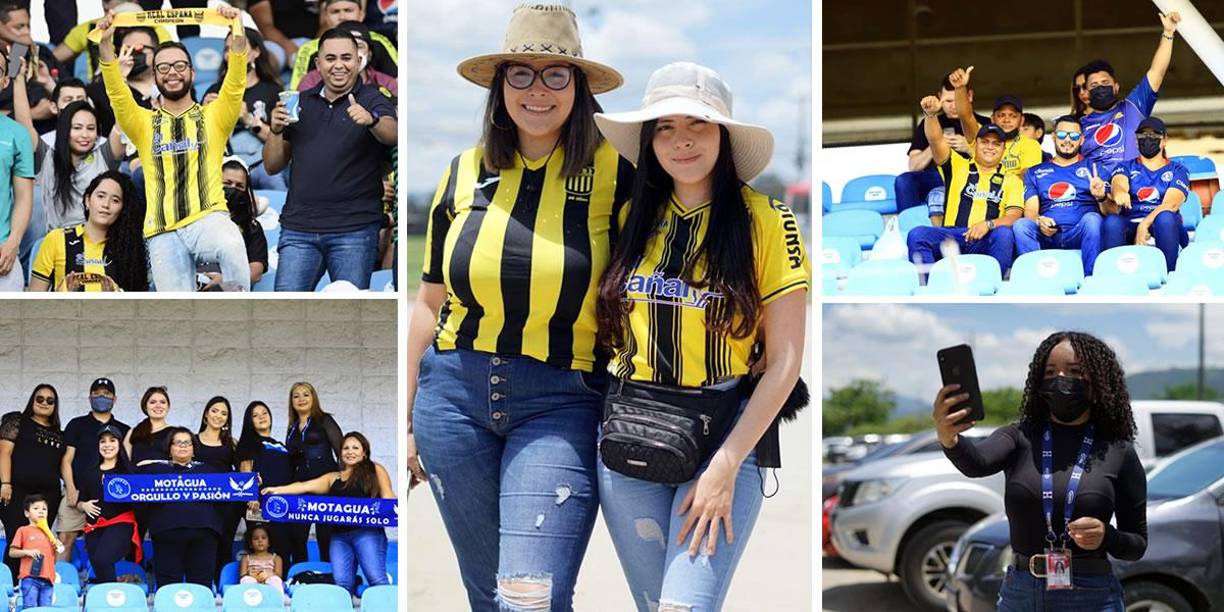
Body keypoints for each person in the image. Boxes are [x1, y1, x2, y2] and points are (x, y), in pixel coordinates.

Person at [406, 5, 631, 610]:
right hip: (451, 399)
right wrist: (407, 422)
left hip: (562, 399)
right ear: (500, 86)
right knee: (488, 596)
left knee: (530, 596)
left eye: (556, 74)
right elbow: (428, 302)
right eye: (521, 74)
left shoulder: (622, 170)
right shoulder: (461, 171)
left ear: (579, 87)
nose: (538, 89)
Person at [592, 61, 808, 612]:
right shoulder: (630, 217)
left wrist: (726, 466)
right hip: (629, 432)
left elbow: (785, 362)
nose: (681, 141)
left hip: (725, 434)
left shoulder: (769, 219)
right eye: (664, 128)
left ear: (724, 136)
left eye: (698, 125)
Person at [932, 331, 1146, 609]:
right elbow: (976, 463)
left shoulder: (1118, 450)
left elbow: (1137, 544)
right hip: (1021, 593)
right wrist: (949, 437)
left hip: (1091, 595)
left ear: (1097, 383)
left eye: (1074, 371)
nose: (1060, 379)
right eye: (1050, 372)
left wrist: (1107, 536)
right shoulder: (1019, 436)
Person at [96, 7, 253, 291]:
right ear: (155, 75)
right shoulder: (142, 123)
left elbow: (236, 78)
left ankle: (238, 309)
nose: (172, 73)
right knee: (176, 310)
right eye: (163, 67)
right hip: (162, 232)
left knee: (231, 243)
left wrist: (237, 28)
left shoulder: (215, 115)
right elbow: (116, 92)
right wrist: (106, 42)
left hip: (208, 219)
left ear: (192, 72)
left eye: (180, 66)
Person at [263, 27, 396, 291]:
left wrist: (371, 120)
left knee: (348, 312)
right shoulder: (299, 102)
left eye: (346, 58)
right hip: (298, 229)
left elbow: (393, 134)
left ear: (359, 61)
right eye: (331, 58)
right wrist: (275, 131)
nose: (339, 65)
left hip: (354, 230)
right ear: (318, 64)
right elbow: (272, 166)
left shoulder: (373, 98)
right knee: (285, 309)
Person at [263, 432, 393, 596]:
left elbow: (389, 497)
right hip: (339, 537)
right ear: (340, 453)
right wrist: (277, 490)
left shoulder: (375, 470)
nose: (350, 452)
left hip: (367, 533)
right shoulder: (333, 478)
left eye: (355, 448)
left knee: (376, 579)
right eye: (346, 448)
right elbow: (304, 486)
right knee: (342, 584)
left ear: (364, 452)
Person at [904, 98, 1022, 276]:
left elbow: (1014, 216)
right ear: (975, 145)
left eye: (996, 144)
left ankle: (991, 283)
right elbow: (936, 140)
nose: (990, 147)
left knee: (1004, 234)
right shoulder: (957, 165)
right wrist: (931, 115)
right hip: (951, 237)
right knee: (917, 234)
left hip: (985, 238)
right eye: (985, 142)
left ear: (1003, 150)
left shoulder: (1012, 180)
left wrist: (988, 225)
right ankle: (934, 285)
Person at [12, 79, 124, 234]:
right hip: (58, 241)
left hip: (99, 240)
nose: (85, 135)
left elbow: (123, 119)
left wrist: (118, 79)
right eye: (77, 128)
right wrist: (18, 78)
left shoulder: (105, 156)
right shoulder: (47, 158)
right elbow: (24, 124)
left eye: (91, 128)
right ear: (64, 130)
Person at [1078, 12, 1181, 174]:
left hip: (1138, 184)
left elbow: (1157, 72)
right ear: (1086, 93)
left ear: (1116, 87)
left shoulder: (1133, 106)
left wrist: (1168, 33)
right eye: (1094, 85)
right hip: (1099, 188)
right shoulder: (1079, 126)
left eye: (1105, 83)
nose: (1100, 87)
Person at [1014, 115, 1108, 275]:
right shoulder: (1035, 172)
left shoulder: (1095, 169)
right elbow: (1030, 211)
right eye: (1062, 135)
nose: (1068, 140)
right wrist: (1039, 221)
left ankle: (1090, 278)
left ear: (1082, 140)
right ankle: (1035, 279)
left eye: (1074, 136)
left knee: (1092, 219)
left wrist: (1101, 196)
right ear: (1053, 137)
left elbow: (1112, 211)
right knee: (1021, 225)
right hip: (1047, 234)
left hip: (1079, 233)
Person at [28, 170, 149, 292]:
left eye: (115, 200)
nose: (106, 204)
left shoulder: (129, 249)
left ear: (123, 209)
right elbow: (34, 298)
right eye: (100, 196)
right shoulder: (56, 239)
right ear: (87, 200)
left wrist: (113, 298)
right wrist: (64, 296)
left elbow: (136, 301)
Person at [56, 378, 130, 565]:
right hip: (77, 492)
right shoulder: (77, 424)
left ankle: (111, 580)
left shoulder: (124, 430)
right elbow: (66, 459)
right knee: (65, 538)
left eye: (106, 393)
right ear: (90, 397)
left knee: (112, 542)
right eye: (97, 393)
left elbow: (127, 465)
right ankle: (61, 580)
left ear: (114, 398)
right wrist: (70, 488)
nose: (101, 397)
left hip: (111, 496)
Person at [202, 28, 287, 191]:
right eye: (228, 49)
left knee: (273, 179)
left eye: (239, 48)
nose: (232, 54)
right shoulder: (215, 90)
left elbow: (281, 142)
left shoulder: (272, 90)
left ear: (256, 52)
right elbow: (200, 140)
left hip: (260, 163)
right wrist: (205, 114)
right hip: (223, 164)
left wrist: (248, 119)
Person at [1103, 117, 1190, 271]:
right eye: (1143, 135)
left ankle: (1169, 274)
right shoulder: (1125, 166)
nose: (1148, 139)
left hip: (1165, 225)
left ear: (1164, 140)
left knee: (1165, 218)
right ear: (1136, 141)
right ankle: (1114, 274)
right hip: (1131, 222)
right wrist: (1120, 192)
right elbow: (1119, 182)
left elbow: (1171, 204)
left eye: (1154, 135)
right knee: (1112, 221)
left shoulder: (1178, 170)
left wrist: (1144, 224)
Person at [894, 74, 988, 213]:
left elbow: (999, 161)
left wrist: (969, 148)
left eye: (957, 100)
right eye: (948, 101)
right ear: (939, 97)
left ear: (969, 96)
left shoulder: (985, 123)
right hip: (937, 177)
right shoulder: (928, 123)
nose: (954, 106)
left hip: (972, 176)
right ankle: (911, 223)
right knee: (904, 180)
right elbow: (913, 166)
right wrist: (936, 144)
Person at [140, 427, 221, 588]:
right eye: (177, 443)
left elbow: (230, 491)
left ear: (194, 449)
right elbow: (131, 489)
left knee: (201, 586)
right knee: (168, 586)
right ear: (169, 448)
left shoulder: (210, 470)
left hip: (204, 535)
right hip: (166, 534)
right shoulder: (153, 470)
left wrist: (252, 483)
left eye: (187, 443)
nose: (183, 446)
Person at [0, 385, 65, 582]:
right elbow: (4, 452)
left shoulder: (59, 433)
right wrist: (5, 483)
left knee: (38, 540)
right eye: (40, 398)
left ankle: (31, 584)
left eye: (50, 400)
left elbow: (62, 465)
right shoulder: (16, 421)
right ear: (32, 400)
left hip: (47, 496)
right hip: (16, 492)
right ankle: (10, 586)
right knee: (17, 539)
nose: (44, 403)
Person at [74, 425, 141, 584]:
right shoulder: (90, 472)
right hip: (94, 526)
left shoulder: (128, 472)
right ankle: (110, 593)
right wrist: (84, 506)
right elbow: (80, 501)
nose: (107, 445)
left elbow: (140, 498)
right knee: (98, 565)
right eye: (103, 441)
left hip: (120, 523)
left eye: (112, 440)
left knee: (103, 559)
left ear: (119, 444)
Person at [284, 382, 342, 564]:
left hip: (325, 485)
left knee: (326, 534)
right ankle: (301, 573)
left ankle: (330, 574)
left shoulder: (324, 420)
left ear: (313, 398)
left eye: (306, 394)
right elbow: (290, 460)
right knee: (297, 534)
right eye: (296, 396)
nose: (301, 399)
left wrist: (343, 483)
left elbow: (341, 451)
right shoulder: (292, 427)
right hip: (300, 485)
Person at [949, 67, 1041, 177]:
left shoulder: (1030, 145)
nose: (1006, 120)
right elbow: (965, 116)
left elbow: (1027, 178)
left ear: (1021, 120)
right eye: (1001, 115)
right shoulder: (981, 137)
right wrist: (960, 88)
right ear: (992, 119)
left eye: (1013, 116)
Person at [52, 1, 173, 84]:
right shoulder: (92, 28)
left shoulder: (156, 29)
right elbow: (51, 59)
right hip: (100, 93)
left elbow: (169, 64)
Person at [289, 0, 397, 90]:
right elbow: (296, 93)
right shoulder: (309, 49)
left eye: (348, 10)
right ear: (325, 16)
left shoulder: (379, 41)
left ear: (361, 14)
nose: (342, 16)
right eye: (335, 12)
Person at [235, 401, 293, 562]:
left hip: (282, 505)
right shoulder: (247, 443)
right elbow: (245, 471)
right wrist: (251, 496)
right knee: (262, 549)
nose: (261, 417)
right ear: (249, 421)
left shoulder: (280, 444)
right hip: (259, 506)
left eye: (264, 413)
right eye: (255, 415)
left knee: (283, 549)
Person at [194, 396, 242, 583]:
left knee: (224, 544)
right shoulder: (192, 441)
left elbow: (242, 472)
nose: (218, 416)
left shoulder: (232, 443)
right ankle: (203, 586)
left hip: (227, 505)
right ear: (206, 414)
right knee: (202, 543)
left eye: (224, 413)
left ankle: (221, 586)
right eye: (214, 411)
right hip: (200, 503)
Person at [0, 46, 34, 292]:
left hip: (2, 253)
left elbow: (23, 197)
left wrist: (13, 243)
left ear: (4, 81)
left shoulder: (17, 134)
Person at [205, 158, 267, 288]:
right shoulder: (195, 219)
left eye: (239, 186)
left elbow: (256, 271)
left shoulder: (251, 227)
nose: (233, 189)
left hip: (230, 291)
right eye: (227, 183)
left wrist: (225, 279)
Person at [87, 25, 159, 138]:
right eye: (126, 49)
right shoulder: (100, 91)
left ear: (156, 52)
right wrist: (118, 79)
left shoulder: (170, 87)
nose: (131, 54)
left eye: (138, 49)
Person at [295, 21, 397, 97]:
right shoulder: (311, 80)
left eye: (359, 46)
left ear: (369, 54)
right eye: (344, 47)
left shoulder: (388, 84)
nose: (353, 53)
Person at [0, 4, 56, 121]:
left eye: (28, 26)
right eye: (19, 27)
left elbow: (71, 92)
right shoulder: (11, 58)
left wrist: (49, 84)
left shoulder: (41, 53)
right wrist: (32, 114)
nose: (26, 32)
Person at [8, 494, 58, 609]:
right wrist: (27, 552)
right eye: (36, 508)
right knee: (31, 608)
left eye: (44, 509)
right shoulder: (23, 530)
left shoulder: (50, 534)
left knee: (46, 609)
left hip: (48, 579)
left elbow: (53, 559)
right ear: (27, 513)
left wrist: (57, 547)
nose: (41, 511)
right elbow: (12, 552)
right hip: (30, 578)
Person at [124, 386, 173, 467]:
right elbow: (125, 463)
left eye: (162, 402)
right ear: (145, 407)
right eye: (153, 402)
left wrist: (154, 462)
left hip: (165, 475)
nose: (158, 405)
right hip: (138, 475)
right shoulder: (133, 432)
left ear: (168, 407)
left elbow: (182, 463)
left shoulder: (176, 434)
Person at [238, 524, 284, 589]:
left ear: (269, 542)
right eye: (256, 538)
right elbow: (242, 575)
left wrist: (267, 575)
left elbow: (279, 575)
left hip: (270, 583)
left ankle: (276, 595)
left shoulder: (276, 558)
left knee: (275, 580)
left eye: (263, 538)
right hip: (252, 583)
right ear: (250, 544)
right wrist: (254, 575)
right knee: (246, 580)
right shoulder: (246, 558)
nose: (260, 540)